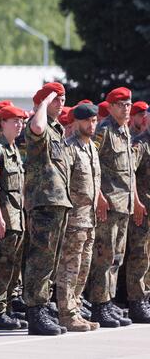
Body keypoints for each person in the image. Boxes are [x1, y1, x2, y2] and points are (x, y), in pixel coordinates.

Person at [88, 87, 141, 326]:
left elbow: (129, 171)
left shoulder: (125, 130)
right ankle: (99, 306)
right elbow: (92, 164)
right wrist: (98, 196)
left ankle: (108, 303)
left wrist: (135, 201)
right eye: (121, 104)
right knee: (104, 256)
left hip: (124, 204)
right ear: (110, 107)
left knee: (116, 257)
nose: (126, 108)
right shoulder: (104, 130)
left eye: (128, 104)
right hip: (108, 203)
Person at [23, 82, 70, 336]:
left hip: (58, 200)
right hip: (43, 200)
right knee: (40, 258)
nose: (60, 102)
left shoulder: (58, 129)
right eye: (56, 98)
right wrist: (43, 101)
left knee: (51, 259)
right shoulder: (37, 124)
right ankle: (36, 310)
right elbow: (38, 126)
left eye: (62, 98)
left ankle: (44, 305)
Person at [56, 103, 101, 331]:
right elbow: (61, 185)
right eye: (87, 121)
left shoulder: (92, 147)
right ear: (75, 122)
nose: (91, 125)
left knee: (83, 269)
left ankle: (76, 309)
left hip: (90, 219)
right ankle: (66, 314)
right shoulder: (69, 148)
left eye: (94, 121)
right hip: (74, 221)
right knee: (69, 268)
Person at [0, 106, 28, 330]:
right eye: (14, 121)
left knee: (12, 268)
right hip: (3, 218)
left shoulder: (14, 150)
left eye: (20, 121)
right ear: (2, 123)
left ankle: (7, 309)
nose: (19, 125)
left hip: (16, 217)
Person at [129, 100, 150, 324]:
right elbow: (130, 173)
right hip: (143, 208)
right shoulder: (140, 144)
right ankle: (137, 301)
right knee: (140, 256)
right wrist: (135, 201)